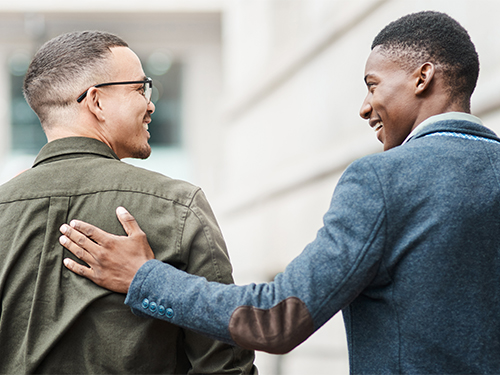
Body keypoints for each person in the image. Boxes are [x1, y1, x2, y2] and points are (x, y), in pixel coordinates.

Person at [59, 11, 500, 373]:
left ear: (423, 77)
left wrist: (144, 277)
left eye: (373, 85)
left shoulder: (384, 180)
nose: (365, 107)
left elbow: (276, 319)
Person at [0, 30, 256, 374]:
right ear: (96, 101)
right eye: (140, 88)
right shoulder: (176, 205)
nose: (150, 104)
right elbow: (225, 365)